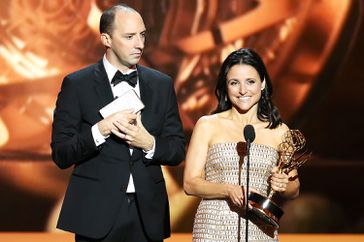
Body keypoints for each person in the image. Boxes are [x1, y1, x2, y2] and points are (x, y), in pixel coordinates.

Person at [51, 4, 185, 242]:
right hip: (96, 213)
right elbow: (61, 154)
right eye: (129, 36)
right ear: (106, 39)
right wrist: (100, 130)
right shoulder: (77, 84)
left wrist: (149, 143)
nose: (140, 44)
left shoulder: (161, 84)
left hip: (148, 214)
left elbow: (176, 150)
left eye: (142, 35)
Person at [183, 48, 301, 241]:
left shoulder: (280, 131)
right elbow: (190, 183)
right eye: (234, 83)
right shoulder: (207, 125)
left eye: (250, 82)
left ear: (262, 83)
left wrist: (283, 184)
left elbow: (294, 188)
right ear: (225, 86)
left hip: (259, 230)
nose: (243, 90)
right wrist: (228, 190)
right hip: (214, 228)